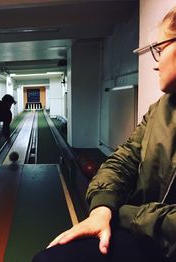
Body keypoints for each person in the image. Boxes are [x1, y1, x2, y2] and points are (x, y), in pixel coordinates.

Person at [33, 6, 176, 262]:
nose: (155, 65)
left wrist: (123, 214)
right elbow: (123, 160)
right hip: (147, 236)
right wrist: (101, 207)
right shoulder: (161, 109)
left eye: (160, 48)